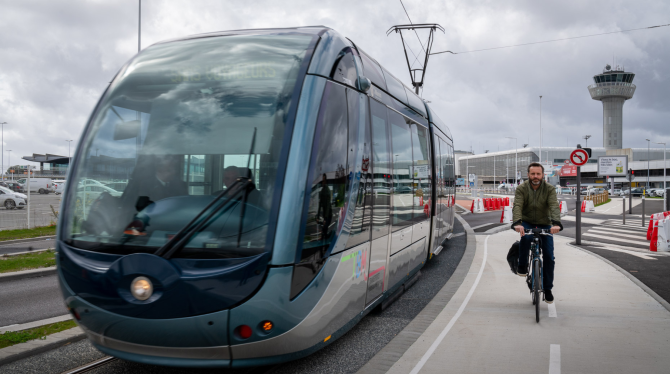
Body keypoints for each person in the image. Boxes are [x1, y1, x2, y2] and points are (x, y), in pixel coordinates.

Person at [511, 162, 563, 304]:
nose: (535, 176)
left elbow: (553, 206)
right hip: (527, 221)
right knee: (526, 238)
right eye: (532, 174)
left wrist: (556, 223)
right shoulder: (522, 188)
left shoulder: (549, 189)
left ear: (542, 175)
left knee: (549, 256)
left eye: (538, 174)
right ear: (528, 175)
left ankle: (547, 289)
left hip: (545, 223)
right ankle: (522, 265)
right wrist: (517, 223)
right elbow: (518, 205)